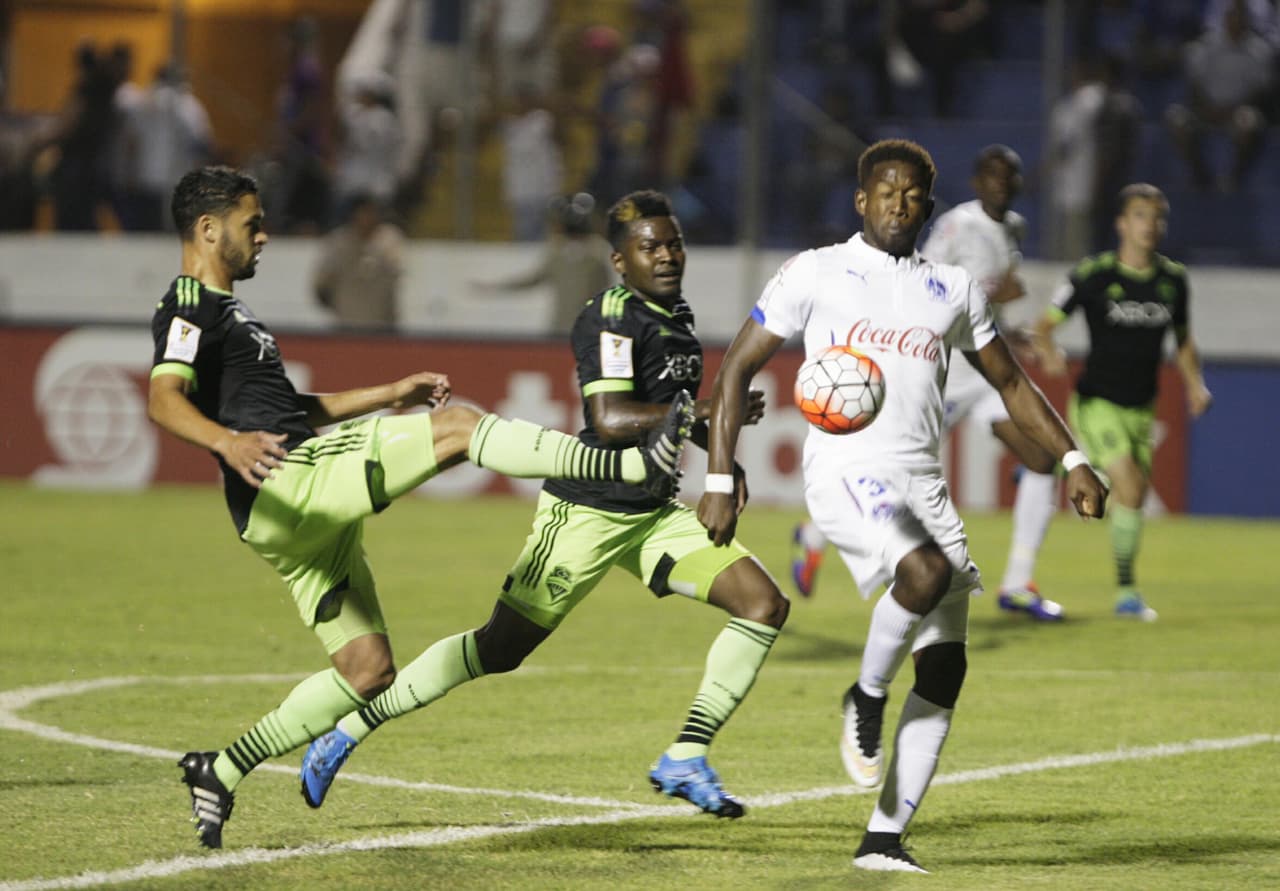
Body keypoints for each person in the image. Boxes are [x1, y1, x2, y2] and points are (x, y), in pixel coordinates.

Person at [150, 167, 692, 849]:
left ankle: (222, 768)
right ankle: (623, 465)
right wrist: (226, 441)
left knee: (368, 671)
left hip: (288, 517)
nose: (264, 234)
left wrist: (390, 392)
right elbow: (163, 396)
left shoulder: (232, 313)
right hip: (288, 482)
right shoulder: (190, 303)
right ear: (208, 229)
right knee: (462, 429)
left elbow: (295, 411)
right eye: (251, 223)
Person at [298, 189, 790, 820]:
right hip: (586, 511)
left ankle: (686, 754)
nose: (666, 256)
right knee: (500, 649)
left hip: (652, 514)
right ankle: (349, 730)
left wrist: (722, 456)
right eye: (650, 247)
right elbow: (609, 418)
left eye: (673, 244)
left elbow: (667, 412)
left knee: (763, 604)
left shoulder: (677, 317)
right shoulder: (610, 317)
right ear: (620, 261)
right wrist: (701, 412)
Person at [698, 140, 1107, 873]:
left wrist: (1074, 458)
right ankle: (864, 695)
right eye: (885, 191)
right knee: (919, 574)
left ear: (927, 203)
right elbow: (735, 370)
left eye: (913, 193)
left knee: (946, 665)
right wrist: (721, 479)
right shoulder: (815, 270)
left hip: (923, 484)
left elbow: (1012, 385)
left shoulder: (952, 288)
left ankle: (883, 837)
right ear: (862, 200)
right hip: (846, 470)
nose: (898, 203)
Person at [790, 145, 1067, 621]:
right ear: (978, 182)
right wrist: (988, 292)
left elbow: (982, 311)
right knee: (886, 473)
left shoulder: (1015, 227)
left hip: (980, 372)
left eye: (1011, 177)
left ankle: (1019, 583)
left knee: (1042, 459)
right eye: (993, 175)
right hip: (939, 373)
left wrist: (1011, 333)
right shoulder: (958, 224)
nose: (1002, 184)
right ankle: (814, 535)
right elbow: (920, 278)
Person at [1032, 183, 1212, 622]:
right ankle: (1128, 594)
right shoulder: (1094, 275)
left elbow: (1183, 340)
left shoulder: (1172, 281)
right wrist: (1049, 349)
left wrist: (1194, 384)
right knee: (1130, 485)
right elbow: (1044, 325)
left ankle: (1126, 584)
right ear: (1121, 223)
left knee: (1133, 498)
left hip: (1141, 408)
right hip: (1097, 403)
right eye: (1140, 216)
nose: (1149, 226)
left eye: (1157, 218)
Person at [469, 191, 614, 334]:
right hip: (564, 328)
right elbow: (531, 279)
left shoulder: (593, 254)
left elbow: (606, 290)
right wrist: (496, 287)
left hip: (583, 329)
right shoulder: (564, 253)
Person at [312, 193, 404, 331]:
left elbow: (399, 274)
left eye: (372, 213)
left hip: (383, 326)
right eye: (364, 213)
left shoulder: (390, 240)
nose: (368, 218)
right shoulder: (339, 243)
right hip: (346, 325)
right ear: (353, 215)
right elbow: (321, 286)